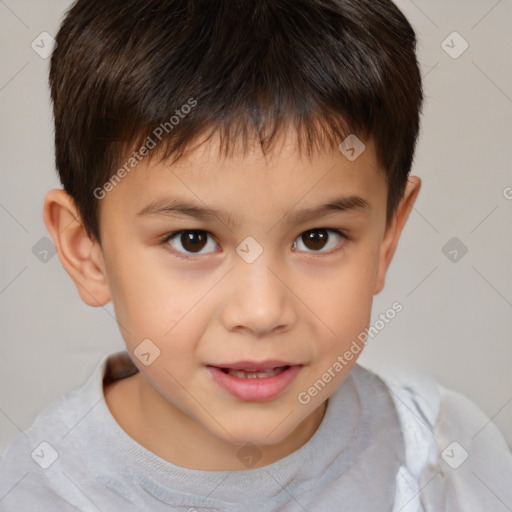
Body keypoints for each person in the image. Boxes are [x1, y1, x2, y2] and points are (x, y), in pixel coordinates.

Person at [1, 0, 511, 510]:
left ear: (386, 238)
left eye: (317, 238)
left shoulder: (446, 456)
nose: (262, 312)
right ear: (86, 251)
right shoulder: (27, 493)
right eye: (192, 240)